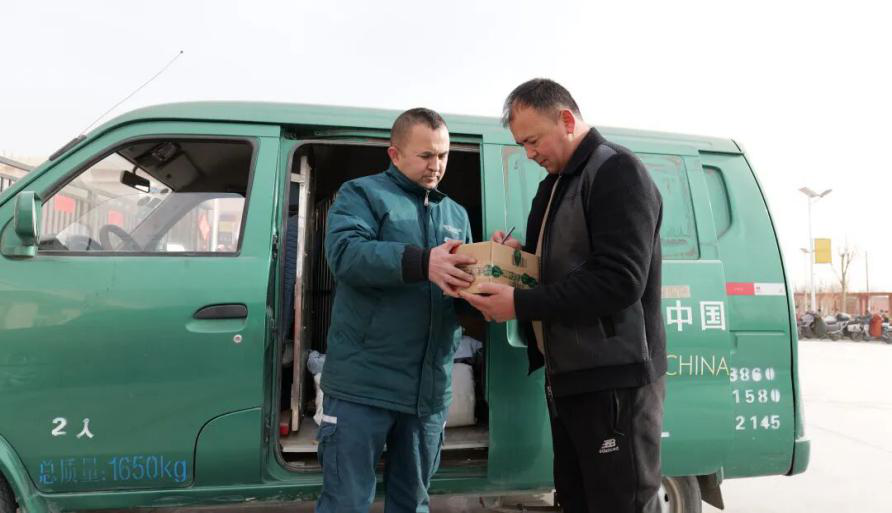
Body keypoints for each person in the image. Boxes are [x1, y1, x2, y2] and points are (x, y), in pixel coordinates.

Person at [462, 79, 666, 513]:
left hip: (614, 380)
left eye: (533, 140)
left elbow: (621, 280)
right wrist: (515, 259)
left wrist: (518, 304)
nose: (529, 153)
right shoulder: (553, 185)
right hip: (568, 375)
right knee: (576, 500)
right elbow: (555, 268)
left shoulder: (618, 172)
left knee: (620, 503)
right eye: (522, 144)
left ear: (567, 120)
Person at [316, 107, 476, 513]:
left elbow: (459, 290)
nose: (436, 165)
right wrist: (423, 262)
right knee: (346, 503)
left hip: (427, 393)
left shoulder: (455, 214)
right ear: (395, 154)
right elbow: (346, 255)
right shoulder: (361, 195)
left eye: (443, 155)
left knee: (413, 504)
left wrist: (490, 275)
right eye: (426, 155)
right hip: (363, 386)